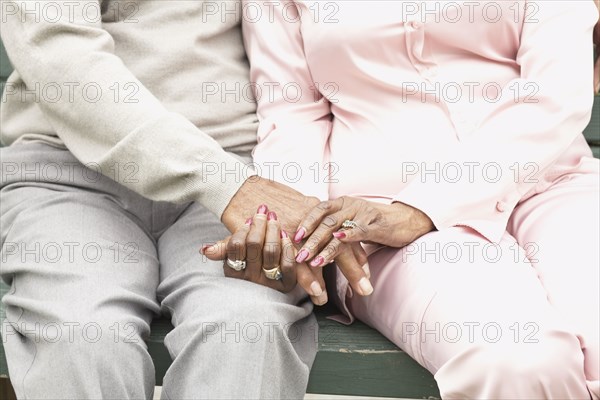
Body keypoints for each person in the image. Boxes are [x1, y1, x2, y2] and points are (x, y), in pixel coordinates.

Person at [215, 0, 600, 398]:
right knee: (517, 358)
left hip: (553, 183)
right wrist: (304, 232)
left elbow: (554, 94)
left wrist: (423, 207)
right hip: (379, 219)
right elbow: (293, 114)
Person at [0, 1, 373, 398]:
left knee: (247, 329)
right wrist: (229, 185)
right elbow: (61, 58)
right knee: (82, 337)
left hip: (239, 168)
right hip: (73, 173)